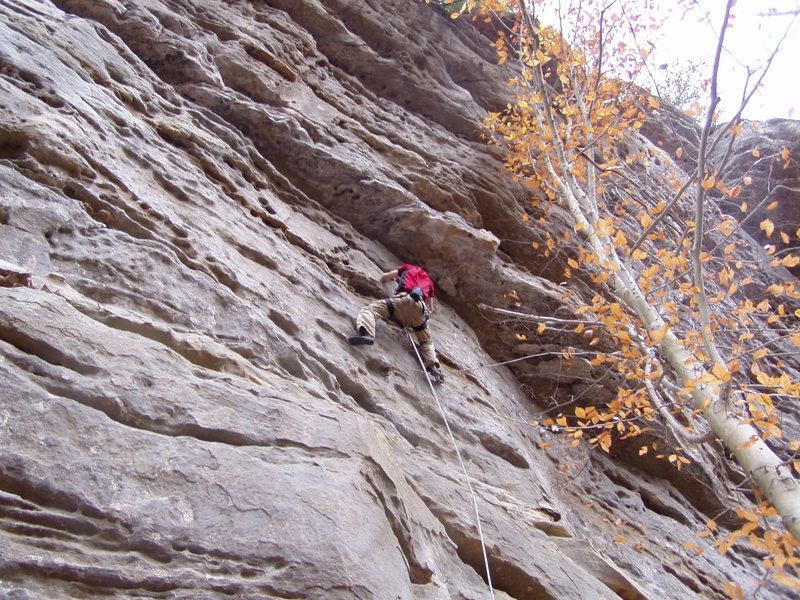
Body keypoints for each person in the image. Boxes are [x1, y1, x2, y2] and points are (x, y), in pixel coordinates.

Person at [348, 264, 444, 384]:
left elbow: (385, 277)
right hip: (420, 309)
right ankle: (433, 365)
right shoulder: (429, 283)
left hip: (403, 299)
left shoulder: (408, 268)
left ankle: (367, 334)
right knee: (426, 341)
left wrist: (394, 280)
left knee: (371, 311)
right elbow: (430, 308)